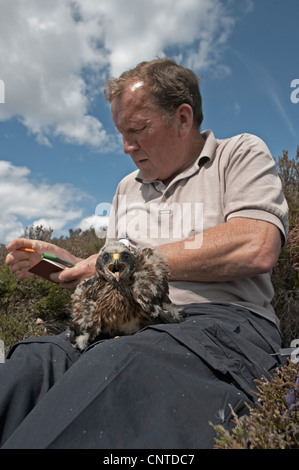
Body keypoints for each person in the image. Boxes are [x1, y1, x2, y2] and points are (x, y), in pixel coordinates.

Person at [1, 58, 288, 449]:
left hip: (221, 324)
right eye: (121, 133)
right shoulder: (126, 189)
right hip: (128, 324)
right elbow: (111, 277)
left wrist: (133, 263)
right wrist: (64, 265)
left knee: (118, 368)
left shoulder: (238, 154)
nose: (126, 147)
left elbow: (256, 244)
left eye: (137, 130)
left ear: (183, 119)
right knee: (31, 364)